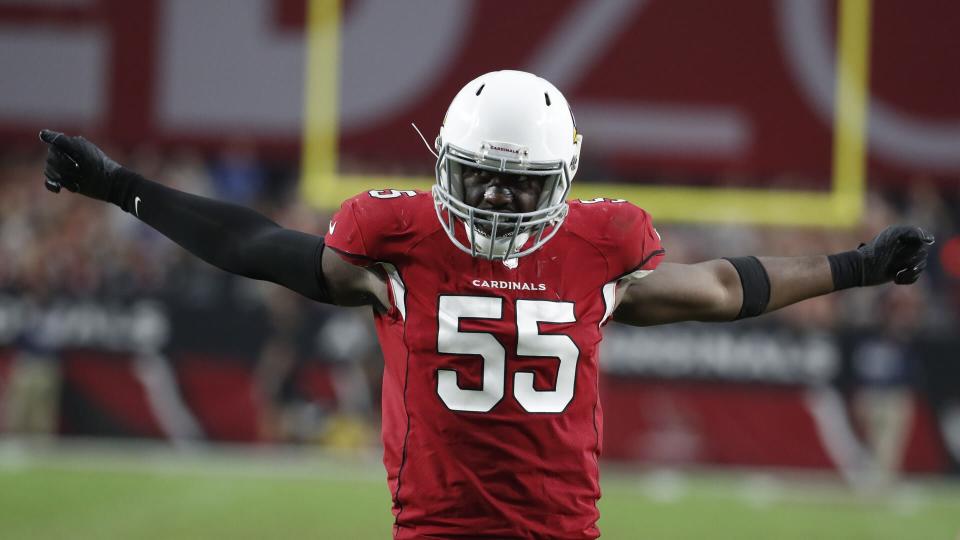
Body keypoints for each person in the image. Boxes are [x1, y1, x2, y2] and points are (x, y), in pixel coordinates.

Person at [39, 70, 933, 539]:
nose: (501, 204)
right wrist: (854, 265)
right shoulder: (590, 247)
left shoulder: (406, 242)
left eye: (518, 186)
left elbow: (254, 245)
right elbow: (724, 286)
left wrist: (125, 187)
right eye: (487, 183)